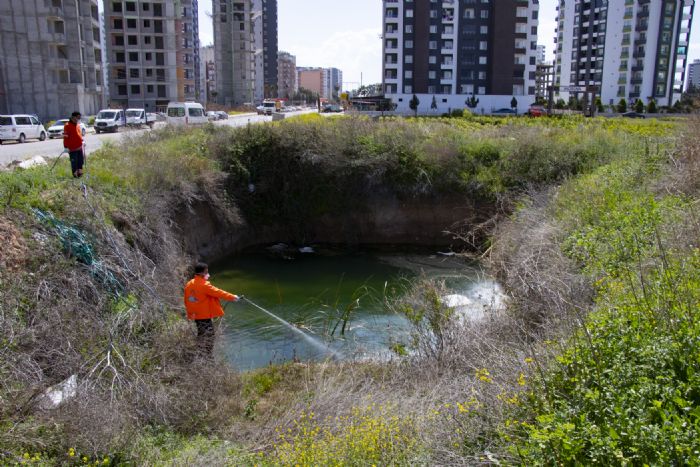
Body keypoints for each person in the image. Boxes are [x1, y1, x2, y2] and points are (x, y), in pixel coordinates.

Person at [184, 262, 240, 355]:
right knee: (209, 336)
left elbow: (186, 300)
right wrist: (233, 297)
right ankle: (207, 356)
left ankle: (201, 354)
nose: (208, 274)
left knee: (202, 334)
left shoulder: (189, 283)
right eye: (206, 272)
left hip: (195, 314)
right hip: (203, 316)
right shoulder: (204, 285)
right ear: (202, 273)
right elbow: (218, 292)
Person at [63, 111, 84, 178]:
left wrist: (82, 141)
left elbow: (79, 134)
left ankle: (80, 174)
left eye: (79, 118)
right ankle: (75, 176)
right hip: (72, 149)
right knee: (74, 162)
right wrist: (66, 147)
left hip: (79, 147)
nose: (78, 120)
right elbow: (65, 137)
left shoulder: (77, 125)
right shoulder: (67, 126)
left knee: (80, 162)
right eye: (77, 118)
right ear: (73, 117)